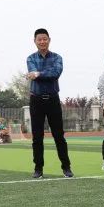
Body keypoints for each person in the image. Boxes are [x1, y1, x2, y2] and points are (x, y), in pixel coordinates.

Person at [27, 28, 73, 178]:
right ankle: (38, 169)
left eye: (44, 39)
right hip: (36, 100)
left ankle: (66, 167)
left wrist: (39, 74)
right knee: (37, 137)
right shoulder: (31, 58)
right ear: (35, 41)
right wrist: (42, 74)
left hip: (53, 99)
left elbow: (56, 73)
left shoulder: (57, 57)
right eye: (39, 39)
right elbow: (35, 73)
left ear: (49, 40)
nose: (42, 42)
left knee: (59, 135)